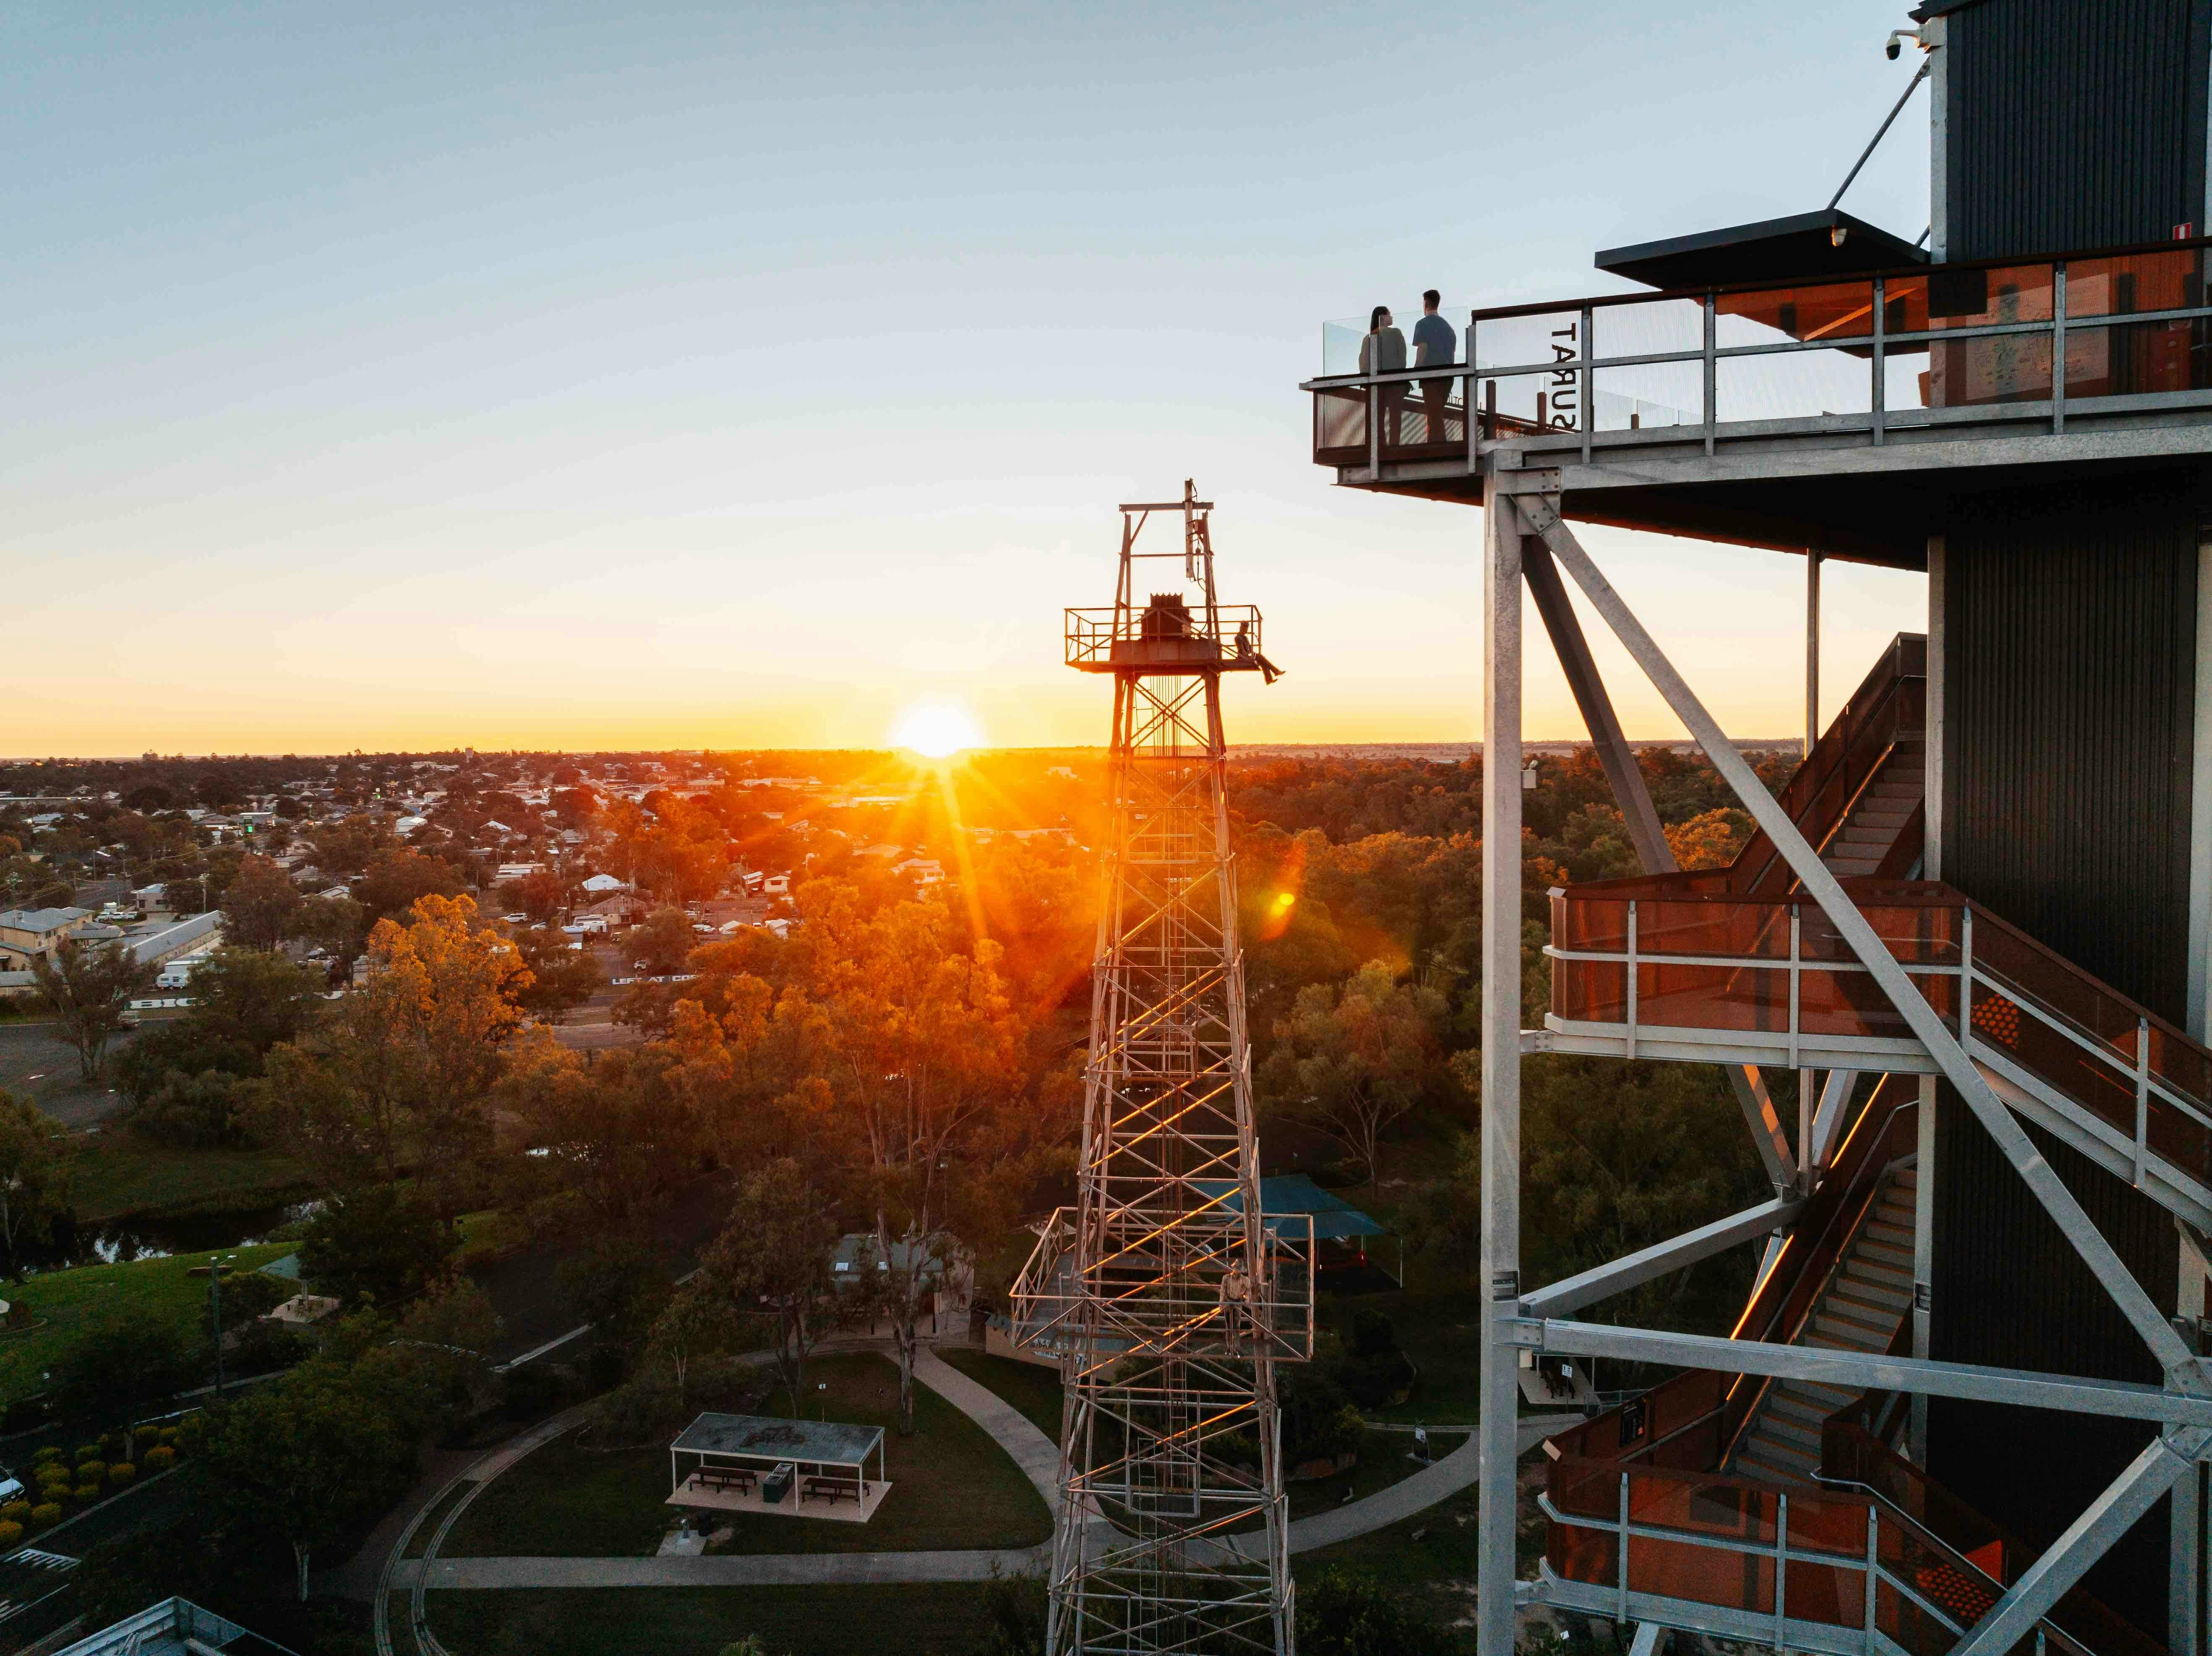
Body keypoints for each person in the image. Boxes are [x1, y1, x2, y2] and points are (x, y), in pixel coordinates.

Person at [1411, 290, 1458, 445]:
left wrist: (1414, 371)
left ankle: (1438, 446)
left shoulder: (1423, 324)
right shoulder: (1449, 329)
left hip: (1430, 377)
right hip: (1447, 378)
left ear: (1426, 303)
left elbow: (1422, 349)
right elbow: (1452, 356)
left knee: (1434, 414)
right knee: (1435, 413)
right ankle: (1434, 444)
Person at [1359, 305, 1409, 448]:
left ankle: (1380, 445)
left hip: (1376, 386)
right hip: (1395, 384)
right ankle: (1394, 446)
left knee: (1377, 418)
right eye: (1389, 314)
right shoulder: (1396, 334)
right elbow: (1402, 360)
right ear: (1383, 317)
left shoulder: (1368, 338)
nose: (1391, 317)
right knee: (1395, 418)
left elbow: (1364, 365)